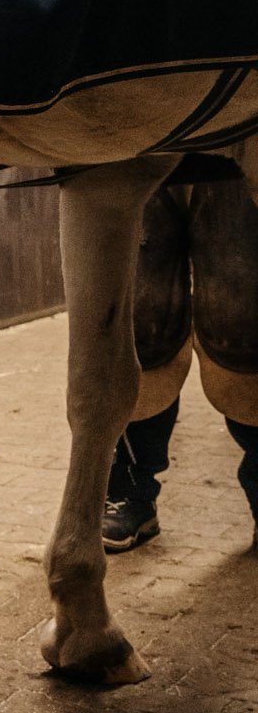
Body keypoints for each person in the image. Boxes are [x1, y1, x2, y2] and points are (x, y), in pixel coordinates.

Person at [104, 179, 258, 551]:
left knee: (242, 321)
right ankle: (131, 494)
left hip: (235, 135)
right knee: (143, 323)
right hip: (149, 138)